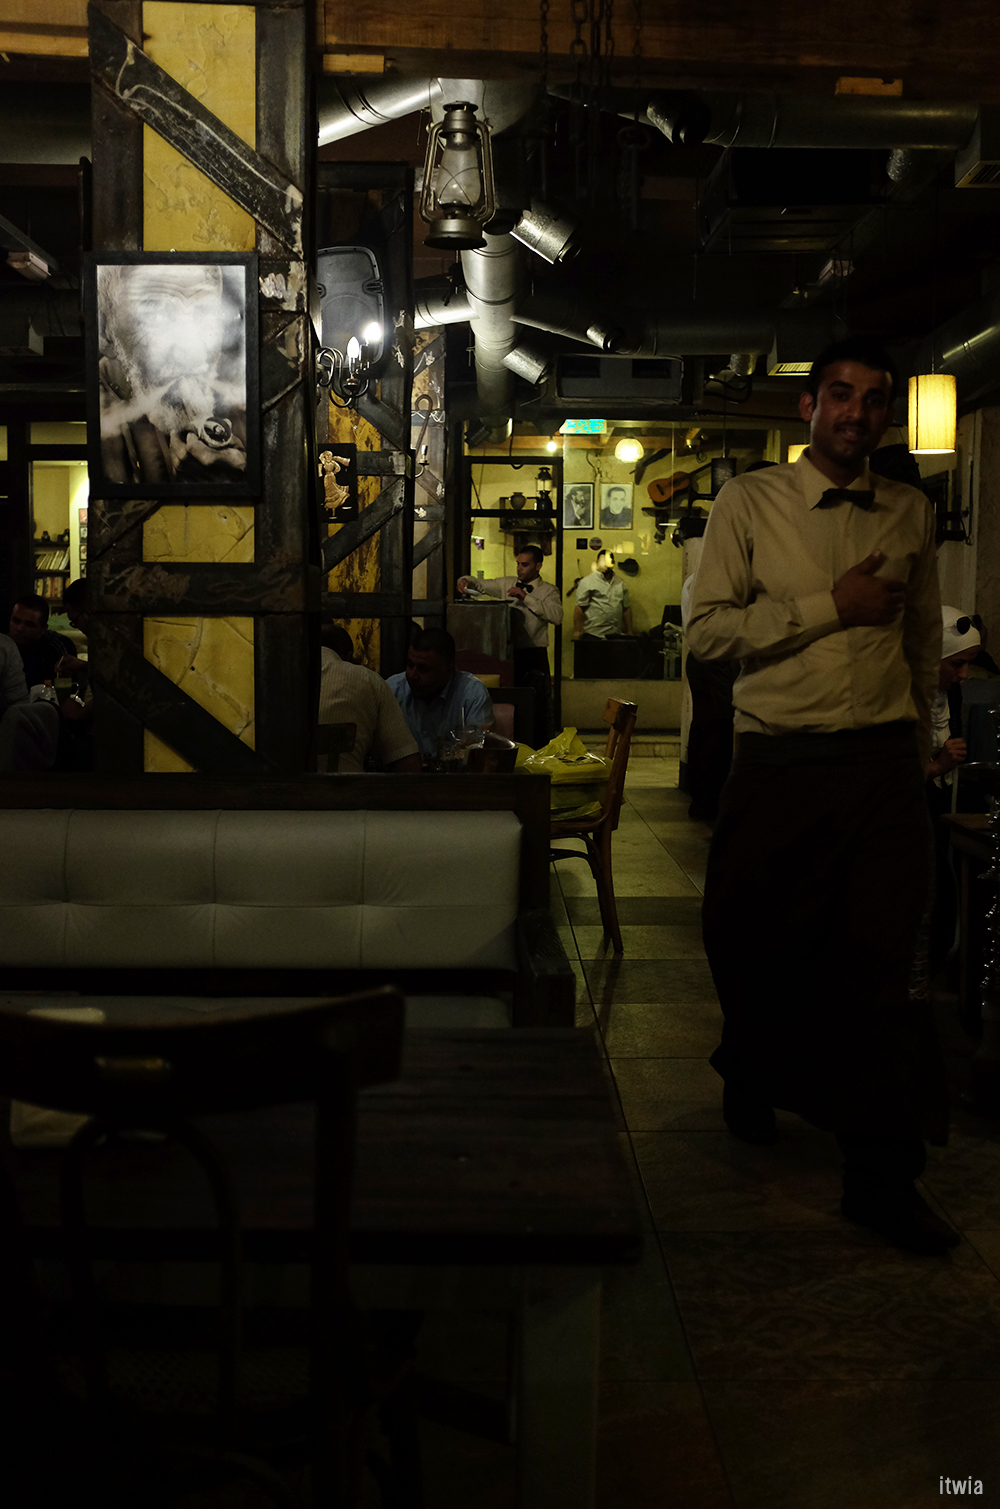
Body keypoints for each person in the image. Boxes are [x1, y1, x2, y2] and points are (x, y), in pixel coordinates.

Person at [687, 336, 953, 1256]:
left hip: (881, 768)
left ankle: (881, 1177)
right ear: (809, 407)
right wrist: (829, 607)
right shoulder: (749, 501)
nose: (857, 413)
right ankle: (752, 1064)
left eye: (875, 400)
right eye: (841, 394)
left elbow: (922, 642)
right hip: (781, 764)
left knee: (883, 970)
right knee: (752, 939)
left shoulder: (912, 511)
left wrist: (917, 750)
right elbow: (707, 637)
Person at [457, 546, 562, 745]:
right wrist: (465, 580)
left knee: (537, 705)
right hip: (507, 656)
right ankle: (513, 746)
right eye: (518, 564)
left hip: (534, 655)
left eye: (525, 564)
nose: (519, 568)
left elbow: (557, 617)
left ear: (538, 566)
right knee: (512, 704)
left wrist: (526, 597)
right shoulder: (506, 583)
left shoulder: (549, 591)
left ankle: (538, 748)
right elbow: (481, 585)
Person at [318, 624, 420, 774]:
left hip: (284, 787)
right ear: (348, 656)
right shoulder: (368, 680)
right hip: (347, 787)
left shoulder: (283, 672)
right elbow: (408, 765)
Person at [386, 627, 494, 765]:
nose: (413, 675)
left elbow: (479, 755)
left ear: (449, 669)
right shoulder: (392, 690)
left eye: (423, 669)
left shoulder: (472, 694)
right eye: (410, 665)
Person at [8, 595, 74, 688]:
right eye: (16, 621)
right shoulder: (4, 645)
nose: (20, 628)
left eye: (29, 625)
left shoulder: (55, 647)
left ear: (43, 629)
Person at [573, 550, 634, 640]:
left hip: (615, 635)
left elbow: (626, 608)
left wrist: (630, 631)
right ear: (597, 563)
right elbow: (579, 608)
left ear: (613, 563)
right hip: (593, 635)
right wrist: (577, 631)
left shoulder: (620, 583)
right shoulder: (587, 582)